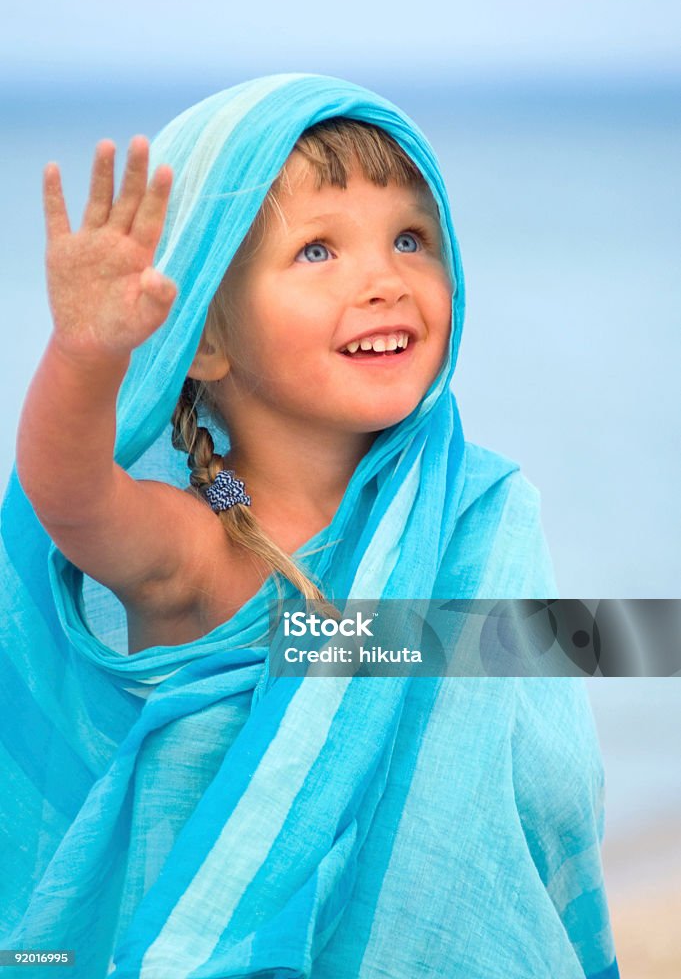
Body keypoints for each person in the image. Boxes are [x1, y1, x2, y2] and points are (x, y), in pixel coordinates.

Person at [0, 74, 619, 978]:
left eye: (410, 237)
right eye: (318, 250)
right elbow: (67, 495)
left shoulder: (472, 512)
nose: (384, 279)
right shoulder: (196, 549)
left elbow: (556, 681)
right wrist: (87, 356)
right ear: (205, 337)